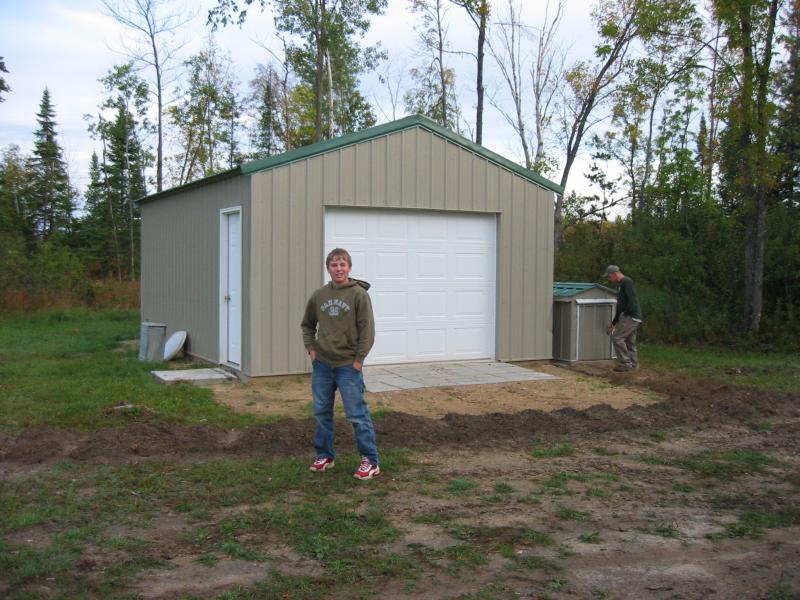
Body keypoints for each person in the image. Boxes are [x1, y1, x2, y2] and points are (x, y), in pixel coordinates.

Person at [301, 248, 380, 480]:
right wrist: (311, 349)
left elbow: (367, 330)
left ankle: (370, 460)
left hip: (348, 366)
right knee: (321, 412)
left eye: (342, 264)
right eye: (334, 265)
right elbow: (307, 325)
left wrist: (358, 360)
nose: (338, 269)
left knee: (356, 414)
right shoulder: (319, 295)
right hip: (323, 365)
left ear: (349, 268)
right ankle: (325, 455)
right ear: (328, 268)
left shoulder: (358, 295)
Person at [603, 265, 642, 372]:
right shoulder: (620, 284)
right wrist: (614, 322)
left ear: (615, 273)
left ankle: (625, 363)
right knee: (629, 342)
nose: (609, 279)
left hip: (630, 316)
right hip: (630, 316)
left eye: (609, 277)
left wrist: (626, 313)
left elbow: (632, 299)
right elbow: (620, 306)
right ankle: (633, 365)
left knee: (617, 338)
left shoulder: (627, 281)